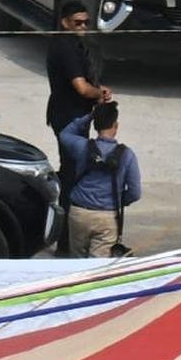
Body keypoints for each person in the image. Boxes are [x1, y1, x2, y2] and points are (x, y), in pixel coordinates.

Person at [46, 0, 111, 236]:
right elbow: (81, 88)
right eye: (78, 23)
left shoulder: (67, 44)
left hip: (67, 115)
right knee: (72, 173)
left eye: (86, 22)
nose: (83, 27)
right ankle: (65, 235)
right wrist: (100, 93)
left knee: (71, 170)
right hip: (70, 117)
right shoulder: (67, 48)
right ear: (65, 23)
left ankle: (66, 233)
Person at [59, 101, 141, 257]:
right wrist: (118, 200)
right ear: (115, 126)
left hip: (78, 213)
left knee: (77, 263)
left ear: (95, 125)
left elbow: (64, 134)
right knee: (97, 267)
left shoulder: (81, 146)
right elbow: (135, 192)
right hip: (106, 217)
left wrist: (89, 117)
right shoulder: (127, 155)